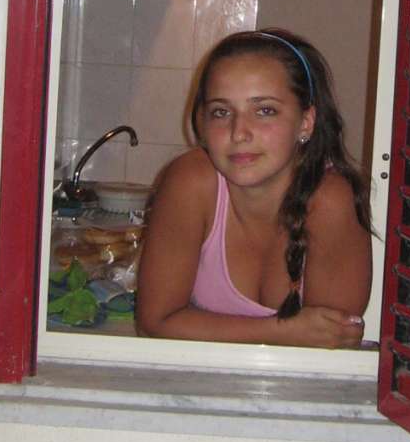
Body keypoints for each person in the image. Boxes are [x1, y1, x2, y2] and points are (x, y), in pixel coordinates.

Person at [136, 29, 373, 348]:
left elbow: (330, 342)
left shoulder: (331, 201)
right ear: (203, 123)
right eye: (221, 112)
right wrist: (282, 331)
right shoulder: (190, 182)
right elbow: (155, 322)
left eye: (264, 110)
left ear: (305, 122)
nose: (239, 133)